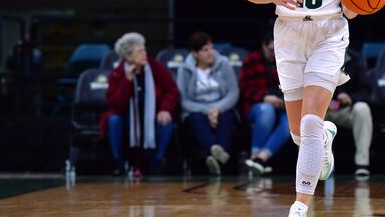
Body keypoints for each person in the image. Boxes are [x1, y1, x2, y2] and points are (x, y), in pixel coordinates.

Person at [241, 0, 361, 217]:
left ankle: (300, 204)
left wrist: (359, 5)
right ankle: (324, 137)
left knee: (309, 122)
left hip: (329, 33)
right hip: (289, 35)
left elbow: (352, 9)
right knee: (299, 132)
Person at [100, 33, 179, 176]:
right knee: (114, 121)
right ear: (128, 56)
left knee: (166, 121)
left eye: (144, 50)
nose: (144, 54)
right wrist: (128, 80)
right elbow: (117, 105)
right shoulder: (117, 74)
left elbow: (171, 90)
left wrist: (165, 109)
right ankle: (119, 163)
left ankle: (157, 162)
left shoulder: (155, 67)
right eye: (140, 51)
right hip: (127, 118)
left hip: (153, 115)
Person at [177, 31, 239, 175]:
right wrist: (207, 110)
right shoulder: (184, 69)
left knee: (227, 117)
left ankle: (214, 156)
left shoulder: (223, 63)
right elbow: (184, 100)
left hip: (222, 107)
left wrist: (217, 109)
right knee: (196, 118)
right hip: (197, 109)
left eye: (211, 48)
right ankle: (220, 155)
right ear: (195, 53)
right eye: (205, 50)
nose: (210, 53)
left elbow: (233, 92)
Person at [239, 31, 288, 175]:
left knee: (292, 121)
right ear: (264, 46)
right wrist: (265, 97)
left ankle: (260, 159)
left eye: (277, 50)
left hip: (283, 106)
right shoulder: (251, 60)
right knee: (266, 110)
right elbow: (244, 88)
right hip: (256, 106)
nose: (274, 54)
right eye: (271, 50)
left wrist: (286, 101)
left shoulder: (286, 60)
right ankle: (254, 156)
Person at [325, 48, 373, 179]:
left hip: (346, 111)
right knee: (307, 113)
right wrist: (324, 100)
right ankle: (314, 165)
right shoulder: (317, 56)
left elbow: (367, 91)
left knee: (362, 108)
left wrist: (351, 98)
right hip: (322, 109)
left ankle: (362, 164)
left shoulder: (356, 59)